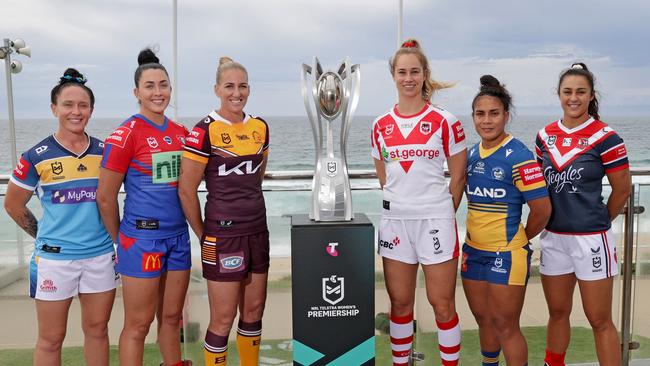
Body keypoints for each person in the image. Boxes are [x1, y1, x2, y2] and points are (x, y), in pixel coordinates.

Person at [4, 68, 117, 366]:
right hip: (55, 261)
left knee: (98, 331)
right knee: (52, 339)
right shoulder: (36, 155)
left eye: (83, 105)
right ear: (54, 108)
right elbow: (14, 205)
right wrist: (45, 237)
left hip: (100, 257)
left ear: (91, 110)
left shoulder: (106, 153)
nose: (75, 111)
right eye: (68, 105)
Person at [371, 38, 467, 366]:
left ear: (425, 74)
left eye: (414, 71)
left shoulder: (445, 121)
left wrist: (438, 210)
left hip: (436, 221)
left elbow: (458, 177)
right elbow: (384, 175)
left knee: (442, 304)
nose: (408, 77)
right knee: (399, 305)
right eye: (402, 72)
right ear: (393, 76)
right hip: (396, 222)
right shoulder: (380, 125)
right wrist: (404, 203)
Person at [97, 48, 191, 366]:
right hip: (141, 240)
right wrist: (122, 237)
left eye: (163, 84)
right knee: (138, 325)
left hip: (178, 238)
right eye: (150, 86)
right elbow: (106, 197)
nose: (158, 92)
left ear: (170, 89)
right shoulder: (125, 135)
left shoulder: (182, 134)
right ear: (137, 92)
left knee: (172, 318)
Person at [535, 62, 631, 366]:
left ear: (591, 95)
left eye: (580, 92)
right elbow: (538, 187)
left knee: (599, 319)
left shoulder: (606, 137)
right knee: (558, 313)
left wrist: (599, 221)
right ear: (558, 94)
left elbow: (622, 190)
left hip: (591, 240)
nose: (573, 98)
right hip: (554, 238)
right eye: (567, 92)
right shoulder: (544, 136)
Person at [179, 56, 269, 366]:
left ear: (249, 89)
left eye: (242, 86)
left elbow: (256, 177)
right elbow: (185, 190)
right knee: (223, 318)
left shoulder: (260, 127)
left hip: (257, 230)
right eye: (229, 86)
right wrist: (205, 235)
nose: (236, 92)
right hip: (223, 236)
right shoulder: (204, 130)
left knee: (254, 311)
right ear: (217, 89)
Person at [461, 75, 551, 365]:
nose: (487, 121)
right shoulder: (471, 155)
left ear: (506, 116)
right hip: (473, 252)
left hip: (507, 255)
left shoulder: (520, 156)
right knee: (485, 321)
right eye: (480, 114)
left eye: (494, 114)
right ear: (473, 117)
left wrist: (519, 240)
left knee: (506, 326)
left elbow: (542, 210)